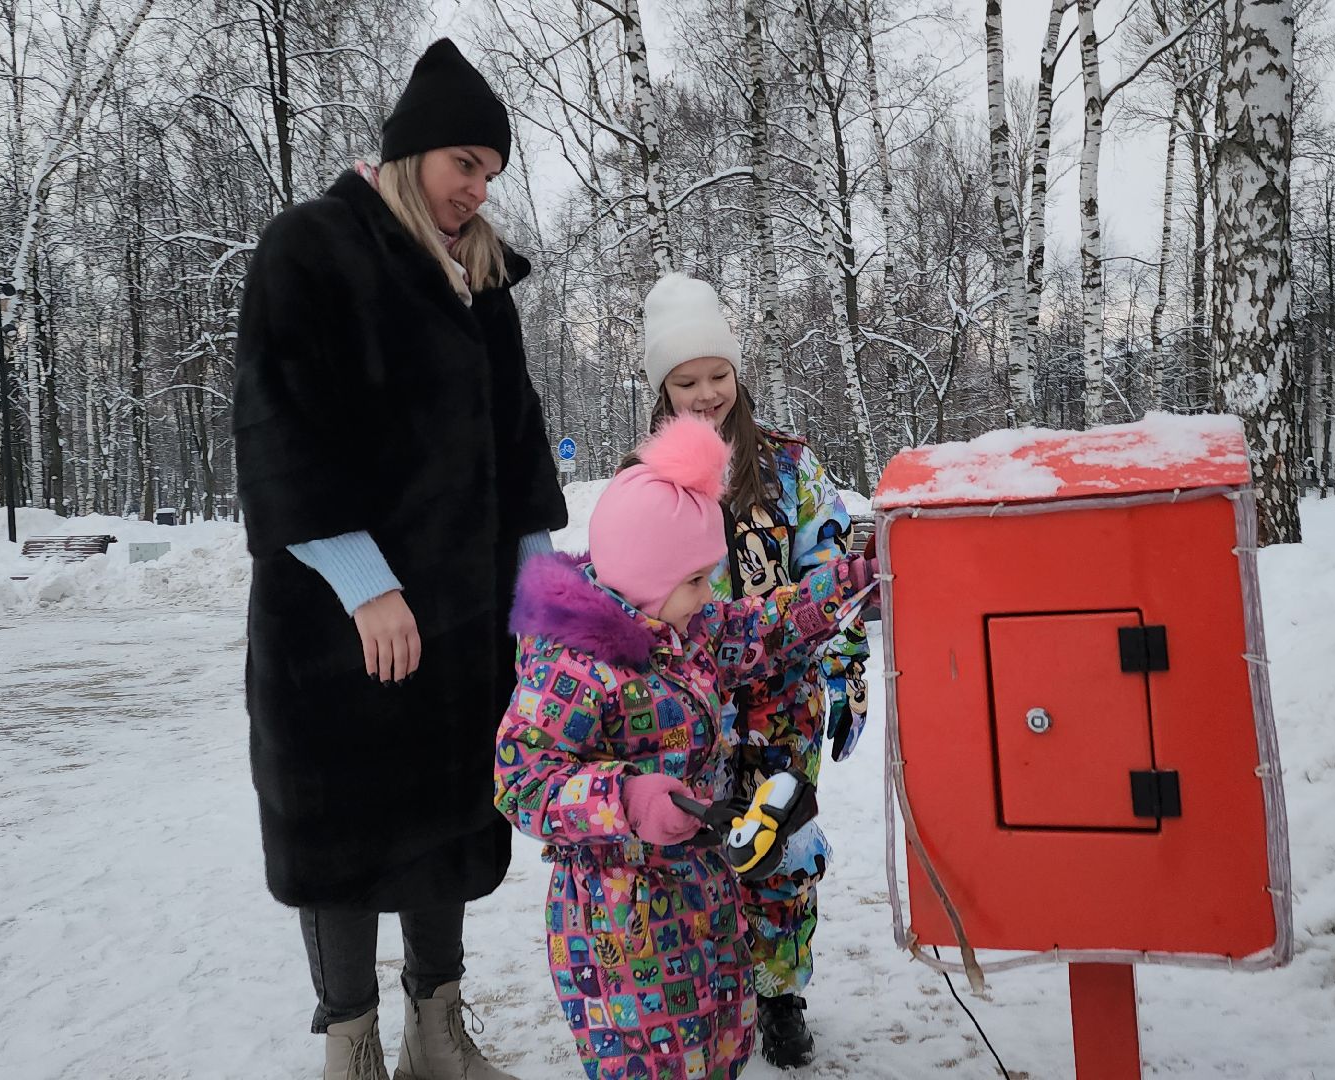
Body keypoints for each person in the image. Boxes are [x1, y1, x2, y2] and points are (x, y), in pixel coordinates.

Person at [232, 38, 566, 1080]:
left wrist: (538, 586)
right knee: (335, 825)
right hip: (336, 622)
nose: (477, 188)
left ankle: (438, 1030)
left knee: (447, 816)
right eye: (464, 162)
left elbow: (517, 438)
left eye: (492, 172)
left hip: (462, 621)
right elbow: (279, 425)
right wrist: (366, 584)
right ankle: (352, 1045)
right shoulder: (313, 248)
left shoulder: (479, 279)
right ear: (412, 152)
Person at [494, 415, 877, 1080]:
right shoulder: (573, 665)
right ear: (645, 574)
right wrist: (629, 798)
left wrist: (855, 579)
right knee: (660, 1062)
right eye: (698, 579)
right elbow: (522, 781)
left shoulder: (685, 626)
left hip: (702, 890)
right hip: (621, 919)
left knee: (721, 1039)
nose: (711, 594)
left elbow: (767, 623)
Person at [634, 272, 869, 1066]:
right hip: (687, 708)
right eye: (686, 381)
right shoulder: (648, 483)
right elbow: (628, 584)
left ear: (738, 375)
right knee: (700, 852)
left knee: (783, 850)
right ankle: (714, 990)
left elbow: (831, 569)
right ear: (662, 389)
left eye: (718, 376)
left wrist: (844, 663)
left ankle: (780, 992)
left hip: (783, 706)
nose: (706, 393)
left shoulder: (789, 468)